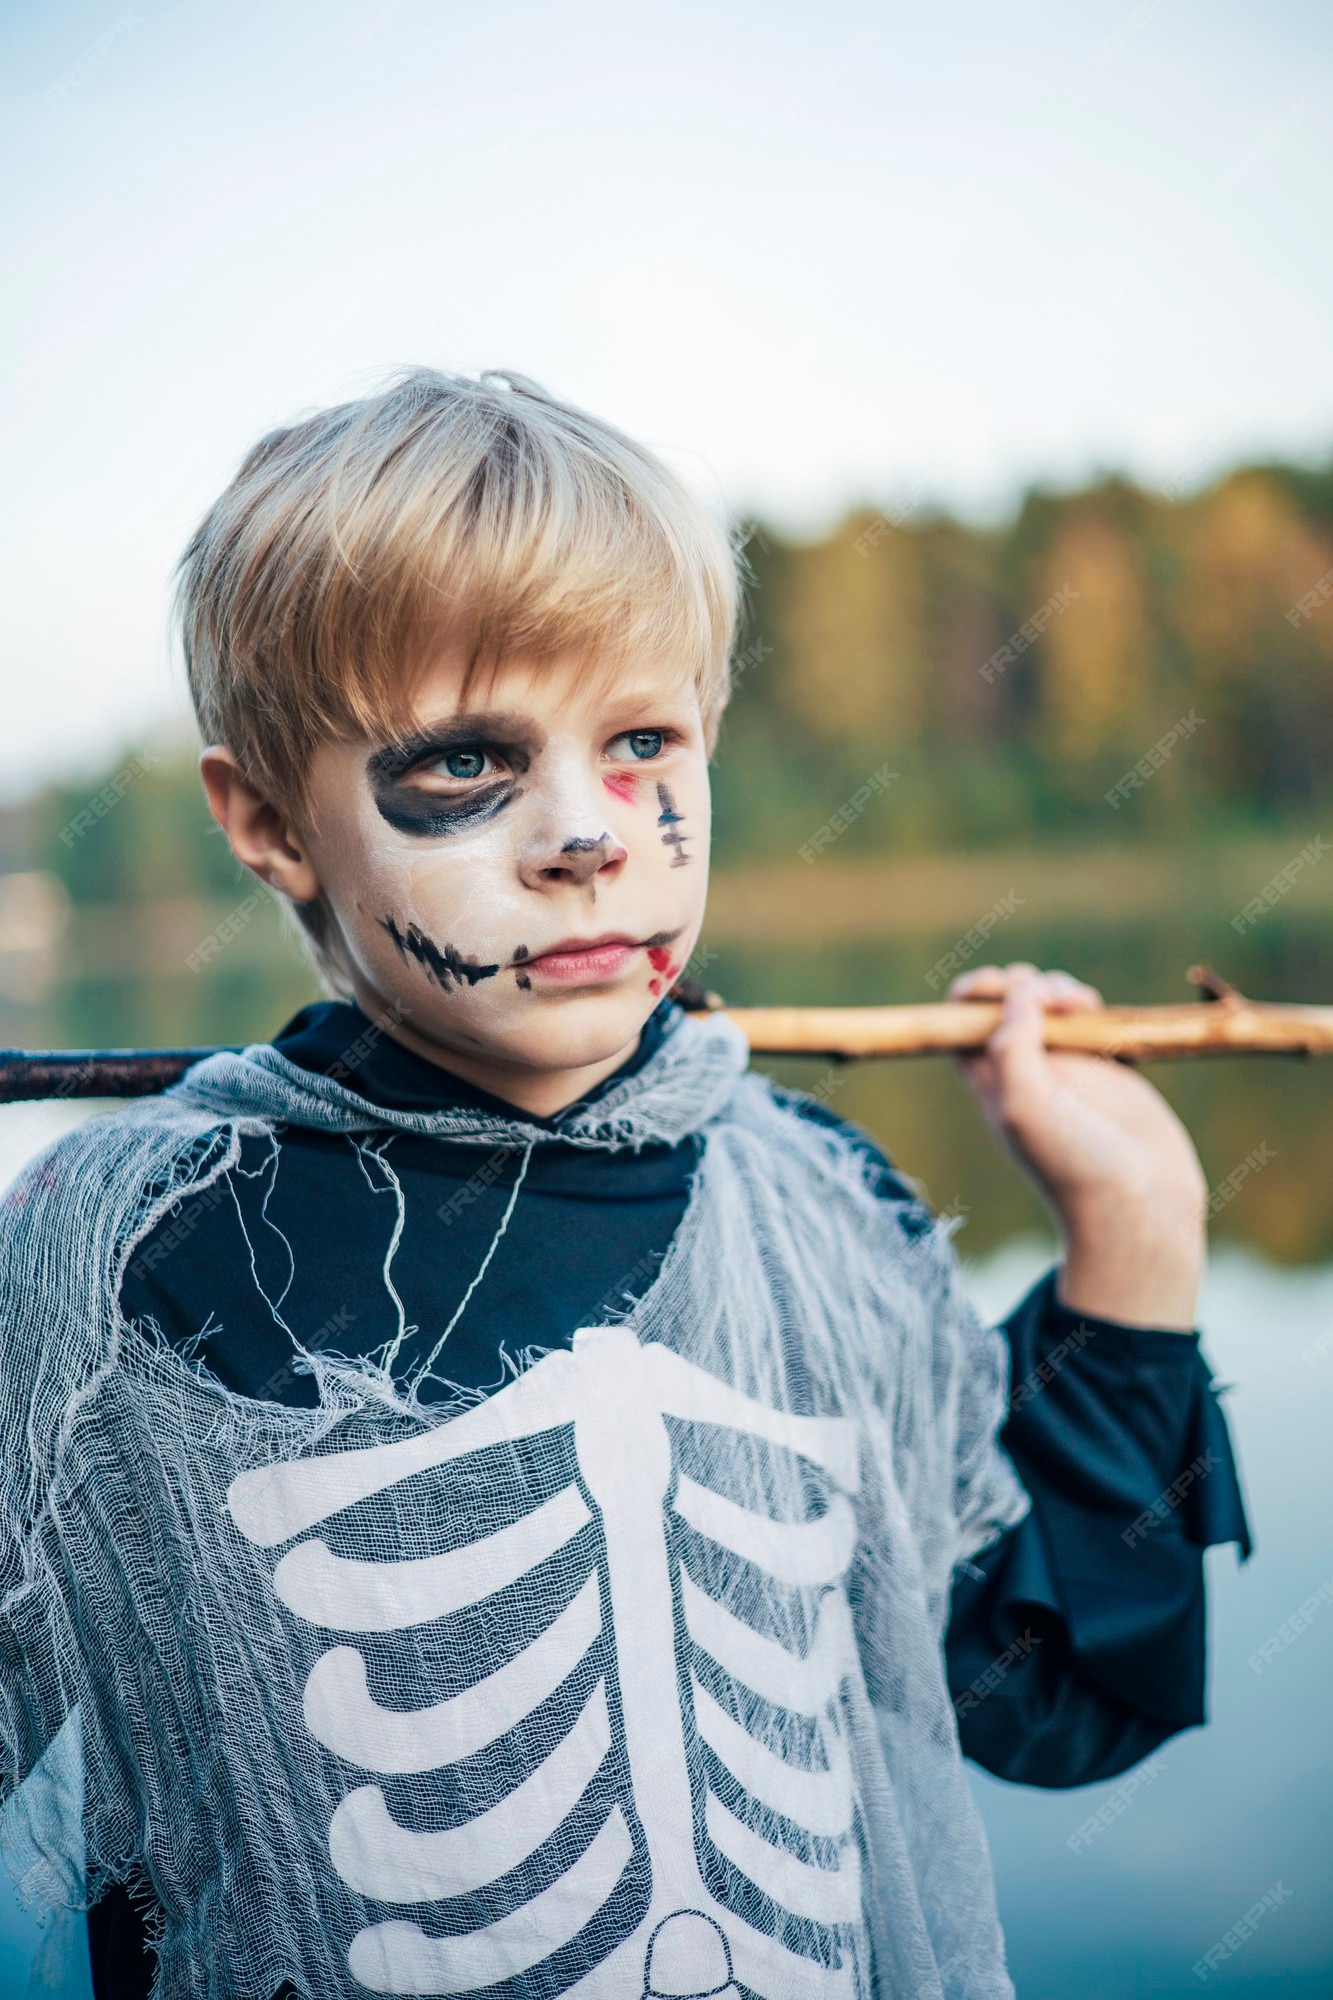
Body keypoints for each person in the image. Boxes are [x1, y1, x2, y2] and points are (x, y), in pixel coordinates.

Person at [0, 370, 1249, 2000]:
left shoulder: (823, 1218)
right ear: (266, 822)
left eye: (642, 740)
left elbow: (1040, 1703)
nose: (588, 834)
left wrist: (1135, 1231)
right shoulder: (124, 1266)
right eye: (468, 765)